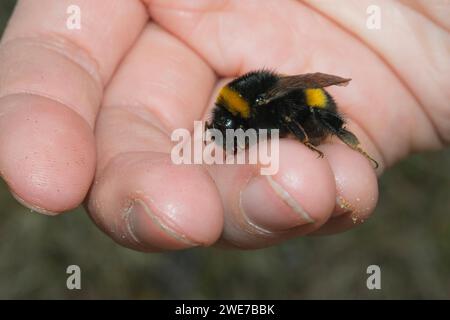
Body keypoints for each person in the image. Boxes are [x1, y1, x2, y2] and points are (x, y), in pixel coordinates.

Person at [0, 0, 448, 251]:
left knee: (304, 119)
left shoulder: (267, 104)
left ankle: (353, 149)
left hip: (312, 102)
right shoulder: (244, 105)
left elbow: (297, 108)